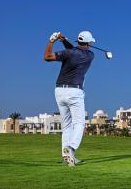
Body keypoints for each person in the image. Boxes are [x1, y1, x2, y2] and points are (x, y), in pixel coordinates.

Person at [43, 31, 95, 167]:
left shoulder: (69, 53)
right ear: (89, 43)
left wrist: (52, 41)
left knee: (66, 125)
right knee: (79, 124)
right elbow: (74, 51)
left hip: (59, 91)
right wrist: (64, 40)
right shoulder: (90, 55)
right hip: (74, 91)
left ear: (78, 42)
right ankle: (71, 148)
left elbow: (47, 57)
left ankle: (67, 157)